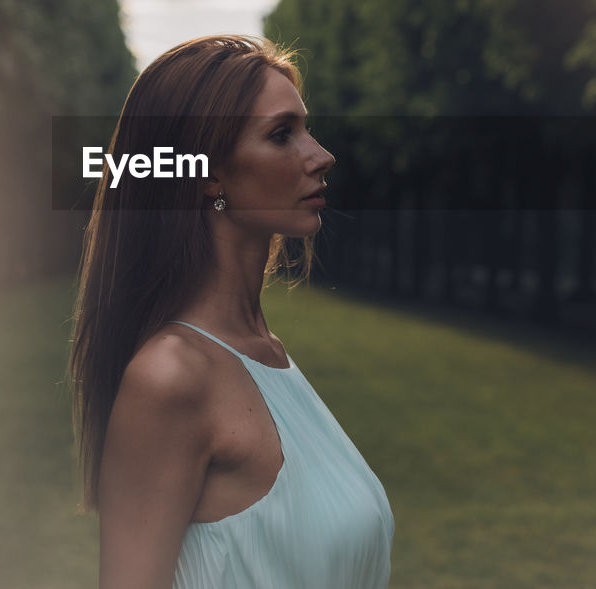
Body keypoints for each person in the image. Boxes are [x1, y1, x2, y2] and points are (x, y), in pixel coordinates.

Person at [67, 34, 394, 589]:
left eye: (305, 128)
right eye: (282, 134)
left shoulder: (271, 356)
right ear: (208, 174)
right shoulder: (171, 377)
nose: (321, 155)